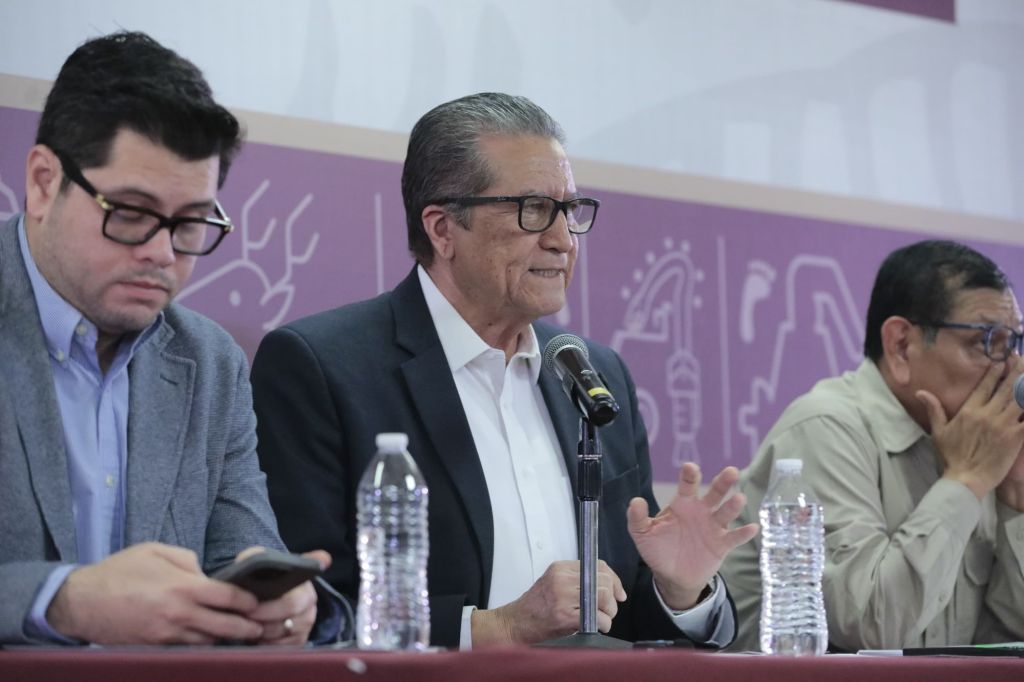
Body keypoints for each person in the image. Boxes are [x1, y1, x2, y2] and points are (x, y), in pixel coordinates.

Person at [252, 92, 758, 649]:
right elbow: (314, 607)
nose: (563, 241)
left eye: (569, 211)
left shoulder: (594, 374)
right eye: (533, 210)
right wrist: (497, 629)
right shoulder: (322, 367)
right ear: (443, 229)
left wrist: (678, 590)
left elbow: (625, 623)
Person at [0, 31, 331, 646]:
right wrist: (63, 600)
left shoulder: (211, 362)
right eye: (130, 212)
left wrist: (278, 606)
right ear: (44, 182)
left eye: (190, 223)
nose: (161, 253)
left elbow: (243, 550)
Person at [721, 240, 1024, 651]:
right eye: (987, 341)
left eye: (1015, 343)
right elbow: (869, 628)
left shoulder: (982, 448)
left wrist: (1015, 498)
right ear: (901, 345)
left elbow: (1002, 648)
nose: (1012, 370)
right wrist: (966, 481)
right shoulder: (825, 426)